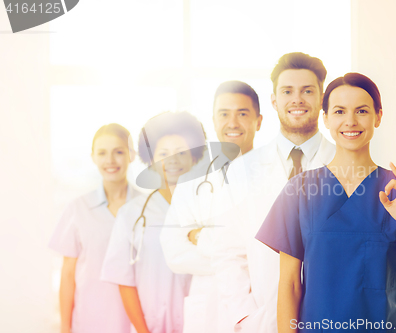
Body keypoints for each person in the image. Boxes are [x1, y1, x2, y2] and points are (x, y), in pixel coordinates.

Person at [255, 73, 396, 332]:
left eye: (362, 111)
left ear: (378, 116)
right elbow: (290, 285)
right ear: (326, 119)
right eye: (340, 111)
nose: (350, 121)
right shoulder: (300, 190)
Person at [213, 52, 336, 333]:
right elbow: (227, 253)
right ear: (274, 101)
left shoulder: (345, 165)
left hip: (333, 319)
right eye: (287, 91)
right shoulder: (242, 170)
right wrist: (245, 317)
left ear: (322, 100)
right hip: (262, 321)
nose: (297, 99)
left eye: (307, 91)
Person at [160, 81, 263, 333]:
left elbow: (278, 252)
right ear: (214, 121)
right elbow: (174, 253)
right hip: (208, 313)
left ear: (259, 121)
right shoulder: (191, 182)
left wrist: (201, 236)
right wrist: (247, 258)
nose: (233, 123)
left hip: (260, 307)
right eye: (224, 114)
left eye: (242, 114)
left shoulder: (276, 178)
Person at [101, 112, 206, 333]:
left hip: (203, 322)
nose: (172, 161)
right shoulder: (131, 214)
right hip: (150, 326)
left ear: (194, 157)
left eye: (180, 153)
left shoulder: (210, 208)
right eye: (163, 153)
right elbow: (124, 280)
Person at [49, 123, 141, 333]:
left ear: (132, 154)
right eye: (102, 153)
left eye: (118, 152)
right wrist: (65, 328)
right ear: (93, 157)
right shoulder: (77, 208)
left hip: (137, 324)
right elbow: (68, 275)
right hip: (89, 322)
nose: (110, 160)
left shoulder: (148, 207)